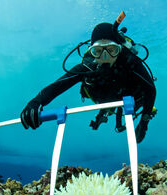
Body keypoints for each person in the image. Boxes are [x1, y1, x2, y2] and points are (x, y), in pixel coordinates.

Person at [21, 21, 156, 143]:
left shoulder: (130, 62)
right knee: (104, 100)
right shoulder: (87, 67)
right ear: (91, 51)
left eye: (111, 50)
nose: (105, 57)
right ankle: (105, 112)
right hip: (102, 95)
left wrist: (144, 122)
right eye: (98, 51)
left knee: (136, 99)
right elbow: (58, 86)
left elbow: (150, 89)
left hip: (128, 94)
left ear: (119, 49)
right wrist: (35, 102)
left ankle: (109, 111)